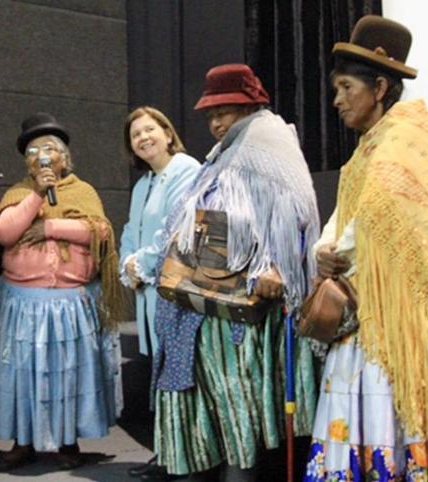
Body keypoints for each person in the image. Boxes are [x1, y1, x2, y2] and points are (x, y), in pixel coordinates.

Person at [304, 16, 428, 480]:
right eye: (336, 89)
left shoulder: (402, 145)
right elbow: (344, 223)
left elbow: (377, 222)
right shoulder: (369, 150)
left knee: (408, 413)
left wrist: (337, 251)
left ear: (381, 86)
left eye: (347, 87)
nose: (338, 100)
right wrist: (321, 251)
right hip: (376, 309)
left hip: (409, 321)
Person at [151, 64, 321, 481]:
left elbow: (298, 215)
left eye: (224, 111)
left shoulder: (270, 143)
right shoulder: (222, 155)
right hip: (203, 305)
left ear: (250, 106)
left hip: (240, 310)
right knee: (211, 408)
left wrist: (280, 267)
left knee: (235, 407)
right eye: (210, 115)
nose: (215, 122)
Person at [0, 112, 124, 472]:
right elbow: (6, 234)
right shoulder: (18, 192)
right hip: (24, 304)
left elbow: (100, 232)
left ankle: (67, 440)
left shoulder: (83, 191)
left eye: (48, 149)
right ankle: (21, 442)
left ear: (64, 157)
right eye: (33, 151)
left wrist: (50, 227)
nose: (41, 156)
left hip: (72, 302)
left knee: (68, 372)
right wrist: (37, 196)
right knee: (23, 373)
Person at [120, 107, 200, 480]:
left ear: (168, 133)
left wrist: (143, 264)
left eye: (149, 129)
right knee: (159, 375)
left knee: (177, 379)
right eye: (136, 135)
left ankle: (182, 458)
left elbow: (175, 227)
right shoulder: (142, 185)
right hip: (148, 293)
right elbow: (129, 233)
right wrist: (128, 266)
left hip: (174, 292)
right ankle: (166, 453)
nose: (143, 138)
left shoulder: (186, 170)